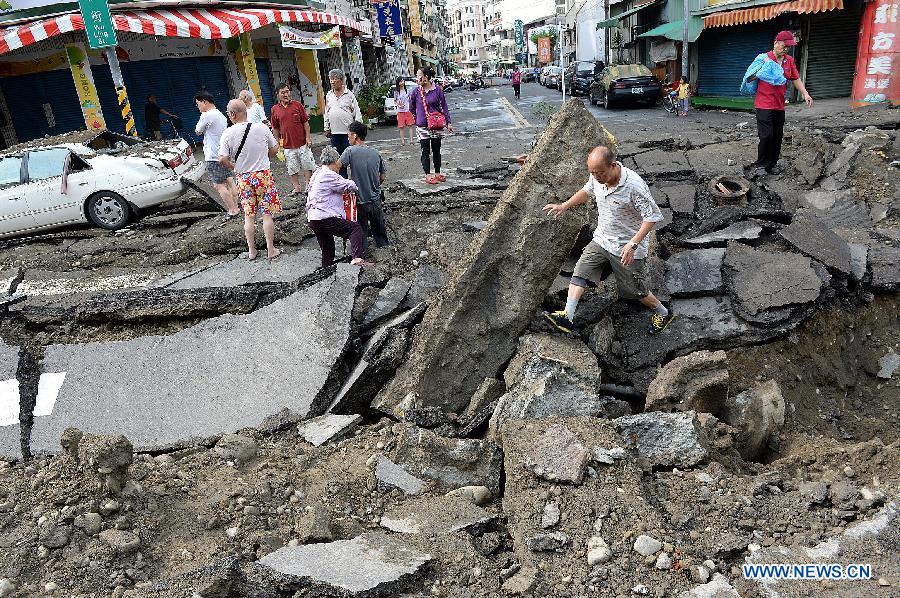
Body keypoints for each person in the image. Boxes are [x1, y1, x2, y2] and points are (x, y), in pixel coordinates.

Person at [542, 146, 674, 335]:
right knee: (581, 271)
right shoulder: (596, 176)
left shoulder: (634, 186)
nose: (595, 177)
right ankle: (567, 316)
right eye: (592, 172)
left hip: (627, 247)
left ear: (613, 166)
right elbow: (587, 191)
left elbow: (652, 217)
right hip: (602, 239)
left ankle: (663, 312)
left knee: (635, 291)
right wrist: (564, 206)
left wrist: (633, 244)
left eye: (599, 172)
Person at [217, 99, 282, 261]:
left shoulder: (228, 133)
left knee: (249, 215)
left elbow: (222, 159)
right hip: (263, 175)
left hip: (243, 178)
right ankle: (270, 249)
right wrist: (265, 157)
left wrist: (234, 167)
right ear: (245, 110)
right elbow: (274, 148)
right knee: (266, 215)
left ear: (232, 114)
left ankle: (252, 251)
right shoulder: (261, 127)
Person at [747, 30, 813, 176]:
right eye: (784, 46)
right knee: (766, 135)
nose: (786, 49)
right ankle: (761, 164)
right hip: (763, 104)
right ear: (776, 43)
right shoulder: (763, 58)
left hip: (779, 105)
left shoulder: (789, 60)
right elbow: (749, 78)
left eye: (788, 47)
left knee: (777, 136)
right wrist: (761, 69)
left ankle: (772, 164)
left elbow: (795, 78)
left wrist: (805, 93)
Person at [305, 146, 371, 268]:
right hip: (324, 216)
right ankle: (357, 258)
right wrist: (354, 183)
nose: (339, 167)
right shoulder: (328, 174)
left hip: (313, 218)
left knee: (327, 246)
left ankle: (326, 268)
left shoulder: (316, 173)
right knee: (354, 229)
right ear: (335, 161)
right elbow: (349, 185)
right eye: (338, 163)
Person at [340, 121, 389, 252]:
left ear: (355, 135)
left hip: (359, 200)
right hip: (375, 198)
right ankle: (384, 249)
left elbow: (337, 167)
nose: (347, 137)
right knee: (379, 228)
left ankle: (362, 253)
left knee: (361, 230)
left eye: (348, 135)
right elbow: (382, 175)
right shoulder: (375, 152)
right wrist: (374, 185)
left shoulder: (349, 151)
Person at [193, 91, 240, 217]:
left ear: (204, 101)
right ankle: (236, 205)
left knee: (218, 185)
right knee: (230, 180)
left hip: (213, 156)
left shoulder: (207, 115)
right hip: (224, 154)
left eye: (198, 104)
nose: (198, 108)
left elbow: (198, 131)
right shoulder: (220, 115)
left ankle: (233, 210)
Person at [408, 65, 454, 185]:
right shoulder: (416, 92)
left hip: (437, 125)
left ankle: (437, 173)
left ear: (426, 78)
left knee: (436, 149)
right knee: (425, 150)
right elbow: (411, 107)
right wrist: (418, 118)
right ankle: (428, 175)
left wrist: (448, 122)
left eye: (419, 76)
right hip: (422, 126)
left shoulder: (437, 90)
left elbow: (444, 107)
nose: (417, 79)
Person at [270, 83, 314, 197]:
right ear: (278, 94)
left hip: (302, 143)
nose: (286, 94)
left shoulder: (297, 105)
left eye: (287, 91)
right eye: (283, 92)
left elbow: (306, 123)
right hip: (287, 145)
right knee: (292, 167)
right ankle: (297, 187)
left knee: (307, 165)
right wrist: (277, 144)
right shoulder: (275, 109)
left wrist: (308, 137)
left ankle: (308, 186)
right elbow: (275, 128)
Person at [323, 69, 363, 170]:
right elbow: (326, 112)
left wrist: (358, 130)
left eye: (335, 79)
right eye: (331, 79)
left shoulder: (349, 94)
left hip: (348, 133)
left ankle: (356, 180)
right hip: (334, 134)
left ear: (341, 81)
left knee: (353, 158)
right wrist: (326, 127)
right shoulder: (329, 95)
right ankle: (342, 181)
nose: (332, 82)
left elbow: (357, 112)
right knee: (338, 159)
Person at [394, 77, 415, 145]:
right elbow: (395, 101)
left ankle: (411, 141)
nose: (402, 83)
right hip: (400, 112)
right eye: (400, 81)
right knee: (401, 127)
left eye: (403, 81)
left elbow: (411, 99)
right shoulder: (396, 92)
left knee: (410, 125)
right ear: (398, 83)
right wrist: (399, 105)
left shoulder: (407, 90)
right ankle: (403, 142)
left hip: (407, 110)